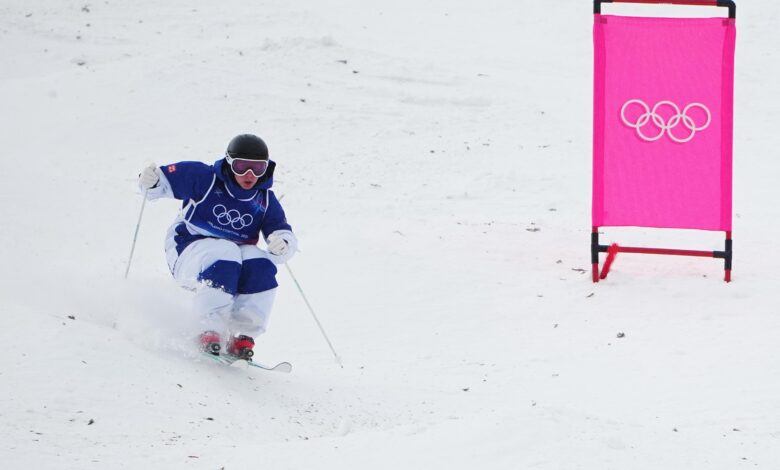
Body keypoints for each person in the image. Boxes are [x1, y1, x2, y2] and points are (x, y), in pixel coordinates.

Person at [137, 134, 297, 359]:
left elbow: (282, 232)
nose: (249, 175)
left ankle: (242, 333)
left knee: (261, 262)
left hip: (231, 260)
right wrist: (151, 180)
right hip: (188, 248)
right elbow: (159, 184)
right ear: (230, 163)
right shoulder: (205, 178)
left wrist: (282, 244)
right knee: (226, 251)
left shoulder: (265, 200)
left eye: (257, 168)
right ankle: (208, 327)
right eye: (242, 167)